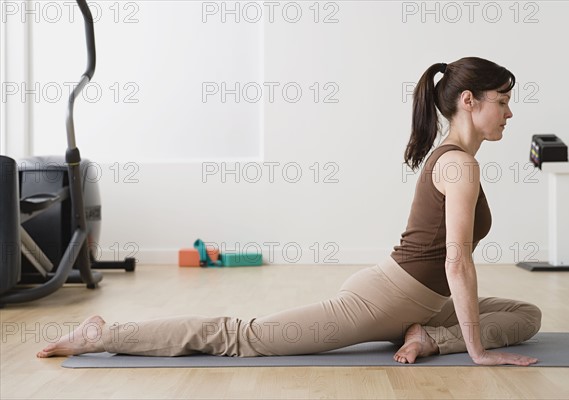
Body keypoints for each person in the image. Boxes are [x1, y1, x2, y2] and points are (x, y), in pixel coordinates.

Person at [38, 57, 542, 366]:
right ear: (470, 102)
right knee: (246, 337)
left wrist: (449, 332)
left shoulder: (459, 160)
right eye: (504, 100)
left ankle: (429, 338)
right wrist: (475, 350)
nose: (510, 111)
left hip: (425, 305)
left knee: (525, 314)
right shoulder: (460, 166)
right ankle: (104, 335)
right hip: (385, 299)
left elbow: (454, 267)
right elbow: (456, 262)